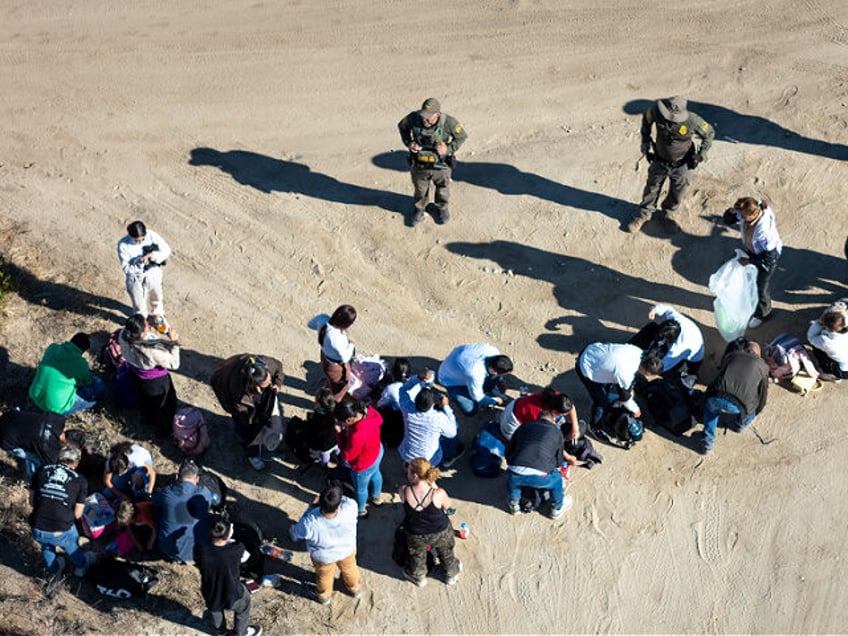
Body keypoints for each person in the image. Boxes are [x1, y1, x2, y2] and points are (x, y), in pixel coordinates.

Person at [628, 96, 715, 234]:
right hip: (659, 159)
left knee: (678, 190)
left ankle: (669, 214)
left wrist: (702, 153)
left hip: (682, 164)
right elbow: (646, 119)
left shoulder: (692, 120)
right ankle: (644, 214)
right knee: (652, 187)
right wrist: (645, 140)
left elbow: (709, 132)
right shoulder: (656, 112)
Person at [397, 97, 468, 225]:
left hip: (441, 165)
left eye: (429, 117)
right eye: (423, 116)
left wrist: (448, 148)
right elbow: (402, 126)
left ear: (438, 114)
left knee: (443, 188)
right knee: (420, 189)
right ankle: (420, 208)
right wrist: (409, 143)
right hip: (419, 164)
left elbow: (462, 136)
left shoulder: (448, 122)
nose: (425, 120)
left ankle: (442, 208)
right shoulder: (414, 118)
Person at [211, 353, 285, 471]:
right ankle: (253, 455)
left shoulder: (265, 365)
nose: (270, 381)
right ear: (255, 387)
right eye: (266, 383)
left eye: (269, 378)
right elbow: (245, 418)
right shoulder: (237, 394)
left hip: (249, 393)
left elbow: (278, 368)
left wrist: (277, 383)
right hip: (232, 400)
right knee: (249, 432)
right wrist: (258, 423)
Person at [289, 484, 361, 605]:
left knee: (324, 576)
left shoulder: (310, 521)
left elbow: (296, 533)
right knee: (350, 569)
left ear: (320, 503)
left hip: (324, 557)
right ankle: (355, 589)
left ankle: (324, 597)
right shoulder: (351, 507)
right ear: (338, 506)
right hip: (347, 549)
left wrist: (311, 507)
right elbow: (346, 500)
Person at [29, 445, 93, 579]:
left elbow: (32, 501)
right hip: (59, 528)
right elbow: (77, 514)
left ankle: (55, 570)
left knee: (47, 546)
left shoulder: (41, 470)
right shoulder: (80, 481)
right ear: (76, 462)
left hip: (37, 527)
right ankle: (80, 566)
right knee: (70, 543)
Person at [195, 516, 263, 636]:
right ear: (228, 534)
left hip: (211, 592)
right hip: (232, 592)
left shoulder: (200, 549)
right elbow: (245, 558)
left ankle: (221, 632)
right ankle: (241, 632)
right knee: (244, 605)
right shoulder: (237, 548)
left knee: (215, 611)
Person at [398, 458, 462, 587]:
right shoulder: (438, 493)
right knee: (446, 552)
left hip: (415, 534)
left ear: (415, 475)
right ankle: (451, 574)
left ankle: (419, 577)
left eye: (409, 471)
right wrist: (433, 484)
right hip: (441, 531)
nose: (407, 473)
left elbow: (405, 501)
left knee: (417, 555)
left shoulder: (404, 490)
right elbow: (448, 507)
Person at [699, 340, 769, 455]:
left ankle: (708, 442)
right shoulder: (763, 367)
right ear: (759, 354)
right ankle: (740, 425)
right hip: (738, 406)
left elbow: (720, 376)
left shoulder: (732, 355)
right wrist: (755, 411)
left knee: (711, 411)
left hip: (716, 396)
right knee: (753, 407)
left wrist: (707, 396)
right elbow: (763, 394)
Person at [722, 197, 783, 328]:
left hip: (766, 260)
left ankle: (764, 313)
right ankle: (751, 303)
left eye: (743, 216)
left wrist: (750, 260)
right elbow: (727, 220)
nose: (741, 218)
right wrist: (732, 211)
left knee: (761, 287)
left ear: (754, 215)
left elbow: (770, 258)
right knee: (750, 280)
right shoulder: (751, 210)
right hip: (753, 251)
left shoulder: (764, 233)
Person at [505, 411, 577, 519]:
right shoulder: (556, 432)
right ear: (553, 420)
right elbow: (558, 461)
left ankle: (514, 505)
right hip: (541, 476)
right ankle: (556, 509)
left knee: (514, 485)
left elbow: (509, 450)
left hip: (515, 471)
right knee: (557, 481)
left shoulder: (523, 427)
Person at [119, 313, 180, 436]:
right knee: (165, 405)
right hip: (156, 382)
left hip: (136, 375)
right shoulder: (152, 350)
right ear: (142, 333)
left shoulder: (123, 335)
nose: (148, 323)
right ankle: (164, 431)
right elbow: (175, 364)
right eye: (146, 325)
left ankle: (148, 420)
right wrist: (174, 341)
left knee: (146, 402)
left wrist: (148, 324)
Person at [575, 343, 663, 426]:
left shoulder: (637, 351)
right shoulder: (626, 374)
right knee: (602, 402)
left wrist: (630, 388)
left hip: (592, 350)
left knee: (610, 386)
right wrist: (636, 410)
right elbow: (625, 398)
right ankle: (595, 427)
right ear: (646, 371)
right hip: (586, 367)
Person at [28, 333, 104, 416]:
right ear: (83, 350)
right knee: (98, 384)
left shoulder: (52, 348)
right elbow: (86, 382)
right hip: (56, 407)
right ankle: (93, 403)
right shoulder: (81, 363)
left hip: (35, 396)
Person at [153, 459, 213, 563]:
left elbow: (155, 501)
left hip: (167, 548)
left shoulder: (167, 492)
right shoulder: (205, 493)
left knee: (159, 510)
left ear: (177, 476)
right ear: (197, 478)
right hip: (196, 551)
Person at [398, 370, 460, 468]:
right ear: (433, 403)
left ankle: (409, 467)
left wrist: (418, 377)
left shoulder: (407, 409)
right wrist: (446, 407)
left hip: (407, 454)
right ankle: (449, 457)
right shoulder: (438, 418)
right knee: (454, 424)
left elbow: (402, 390)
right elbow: (452, 433)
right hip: (429, 459)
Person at [333, 398, 384, 517]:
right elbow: (379, 418)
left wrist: (340, 434)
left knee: (361, 489)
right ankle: (376, 497)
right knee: (376, 474)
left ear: (349, 420)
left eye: (342, 422)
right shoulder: (369, 414)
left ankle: (361, 510)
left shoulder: (357, 435)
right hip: (377, 452)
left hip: (363, 465)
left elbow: (348, 455)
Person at [438, 343, 513, 416]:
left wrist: (500, 380)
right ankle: (454, 393)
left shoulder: (492, 351)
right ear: (494, 371)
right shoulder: (475, 374)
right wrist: (496, 401)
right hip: (449, 380)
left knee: (495, 379)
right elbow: (479, 398)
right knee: (471, 409)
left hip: (457, 362)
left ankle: (490, 387)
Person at [630, 304, 704, 377]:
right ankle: (629, 347)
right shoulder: (675, 320)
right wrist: (655, 309)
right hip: (689, 341)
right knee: (652, 327)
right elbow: (668, 309)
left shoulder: (677, 349)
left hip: (690, 362)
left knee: (664, 372)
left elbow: (662, 367)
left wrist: (644, 368)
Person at [117, 220, 172, 318]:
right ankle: (142, 322)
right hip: (135, 277)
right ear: (130, 236)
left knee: (157, 296)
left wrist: (154, 256)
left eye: (142, 239)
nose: (140, 242)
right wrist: (139, 262)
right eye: (137, 240)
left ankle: (158, 316)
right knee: (139, 304)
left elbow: (166, 250)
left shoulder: (150, 235)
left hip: (152, 271)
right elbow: (126, 269)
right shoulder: (123, 245)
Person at [0, 408, 66, 482]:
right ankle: (31, 480)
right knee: (36, 460)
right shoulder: (47, 448)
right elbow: (50, 464)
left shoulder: (58, 420)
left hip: (9, 416)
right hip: (5, 440)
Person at [499, 385, 580, 444]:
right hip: (511, 424)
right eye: (563, 414)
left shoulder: (556, 398)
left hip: (516, 405)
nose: (566, 415)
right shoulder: (537, 414)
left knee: (559, 423)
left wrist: (575, 428)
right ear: (554, 411)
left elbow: (571, 408)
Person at [314, 305, 357, 402]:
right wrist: (351, 346)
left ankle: (326, 391)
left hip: (326, 359)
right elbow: (345, 357)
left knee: (332, 383)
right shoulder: (337, 339)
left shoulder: (324, 323)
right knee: (339, 391)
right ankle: (330, 406)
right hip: (336, 368)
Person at [806, 299, 848, 381]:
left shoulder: (825, 341)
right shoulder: (845, 322)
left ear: (827, 327)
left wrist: (818, 323)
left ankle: (831, 374)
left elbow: (811, 337)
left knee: (817, 349)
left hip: (844, 371)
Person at [376, 357, 412, 448]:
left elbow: (380, 404)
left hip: (396, 420)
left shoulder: (391, 388)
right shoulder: (415, 386)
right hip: (410, 420)